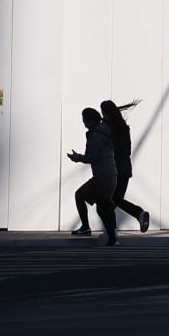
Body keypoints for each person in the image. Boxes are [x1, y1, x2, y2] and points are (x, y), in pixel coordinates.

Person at [67, 107, 119, 246]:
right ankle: (113, 239)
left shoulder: (95, 134)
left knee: (79, 195)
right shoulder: (105, 130)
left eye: (84, 120)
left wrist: (77, 157)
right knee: (103, 207)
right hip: (112, 176)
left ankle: (85, 227)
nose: (83, 123)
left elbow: (92, 157)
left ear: (89, 120)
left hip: (101, 177)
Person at [101, 99, 150, 233]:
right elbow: (127, 150)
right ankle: (113, 230)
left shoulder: (107, 128)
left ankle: (113, 231)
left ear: (106, 113)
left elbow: (107, 147)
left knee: (109, 200)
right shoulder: (124, 127)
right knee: (115, 200)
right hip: (126, 168)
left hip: (114, 168)